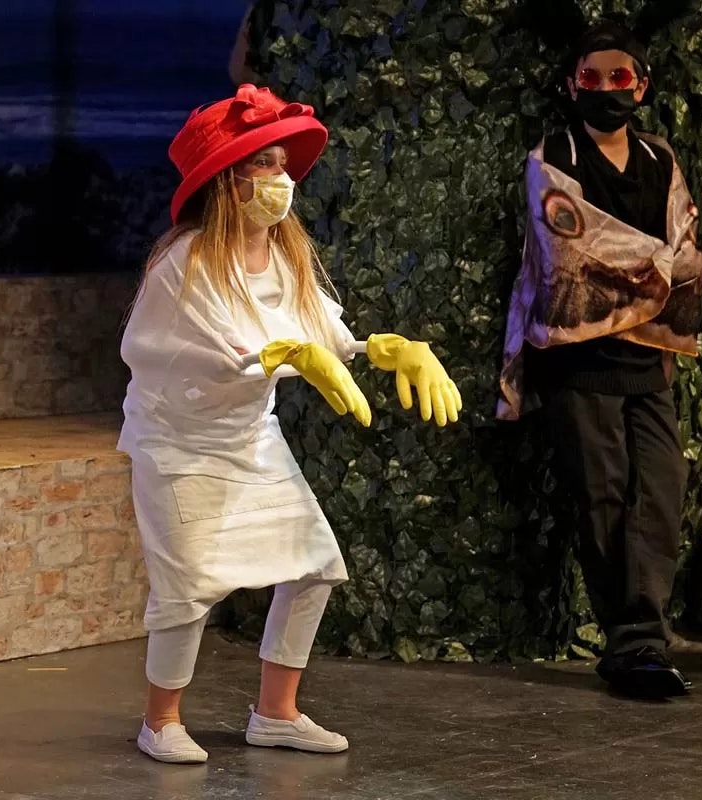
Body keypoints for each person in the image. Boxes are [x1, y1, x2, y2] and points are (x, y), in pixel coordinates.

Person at [119, 84, 462, 764]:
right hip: (179, 445)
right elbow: (202, 351)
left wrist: (379, 348)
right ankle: (161, 721)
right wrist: (281, 356)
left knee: (314, 567)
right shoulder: (185, 260)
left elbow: (318, 332)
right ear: (227, 179)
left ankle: (276, 713)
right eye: (264, 163)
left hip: (250, 437)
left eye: (282, 164)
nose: (281, 179)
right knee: (188, 588)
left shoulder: (283, 254)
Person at [497, 18, 702, 698]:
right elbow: (569, 251)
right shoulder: (553, 155)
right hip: (577, 358)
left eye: (621, 77)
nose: (607, 88)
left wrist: (654, 292)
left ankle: (642, 639)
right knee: (603, 498)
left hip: (645, 360)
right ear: (571, 85)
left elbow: (686, 249)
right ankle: (634, 645)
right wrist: (654, 270)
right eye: (593, 77)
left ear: (642, 86)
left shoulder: (659, 158)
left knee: (661, 492)